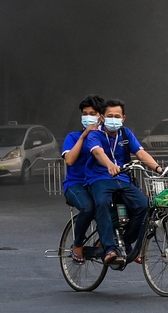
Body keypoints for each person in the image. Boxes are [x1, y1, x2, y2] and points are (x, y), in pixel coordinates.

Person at [85, 98, 166, 265]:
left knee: (143, 205)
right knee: (102, 203)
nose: (113, 119)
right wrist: (109, 165)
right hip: (99, 179)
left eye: (117, 116)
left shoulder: (125, 133)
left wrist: (158, 168)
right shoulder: (94, 134)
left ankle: (126, 242)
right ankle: (109, 249)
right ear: (102, 117)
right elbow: (98, 152)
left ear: (123, 118)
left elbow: (141, 153)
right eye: (110, 116)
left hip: (123, 179)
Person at [61, 94, 105, 263]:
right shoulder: (72, 137)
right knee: (88, 208)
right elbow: (70, 160)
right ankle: (78, 244)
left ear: (101, 116)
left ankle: (108, 242)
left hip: (96, 182)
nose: (88, 117)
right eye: (84, 113)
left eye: (92, 113)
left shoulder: (105, 137)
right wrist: (84, 136)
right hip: (75, 184)